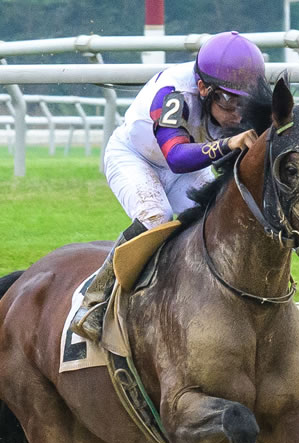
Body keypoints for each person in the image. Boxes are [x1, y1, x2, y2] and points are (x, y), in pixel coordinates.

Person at [70, 31, 267, 342]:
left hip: (188, 165)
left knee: (212, 221)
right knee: (156, 216)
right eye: (229, 101)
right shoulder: (174, 93)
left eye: (246, 101)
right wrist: (229, 143)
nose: (238, 113)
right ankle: (94, 301)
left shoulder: (231, 98)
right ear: (203, 88)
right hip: (136, 157)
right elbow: (175, 157)